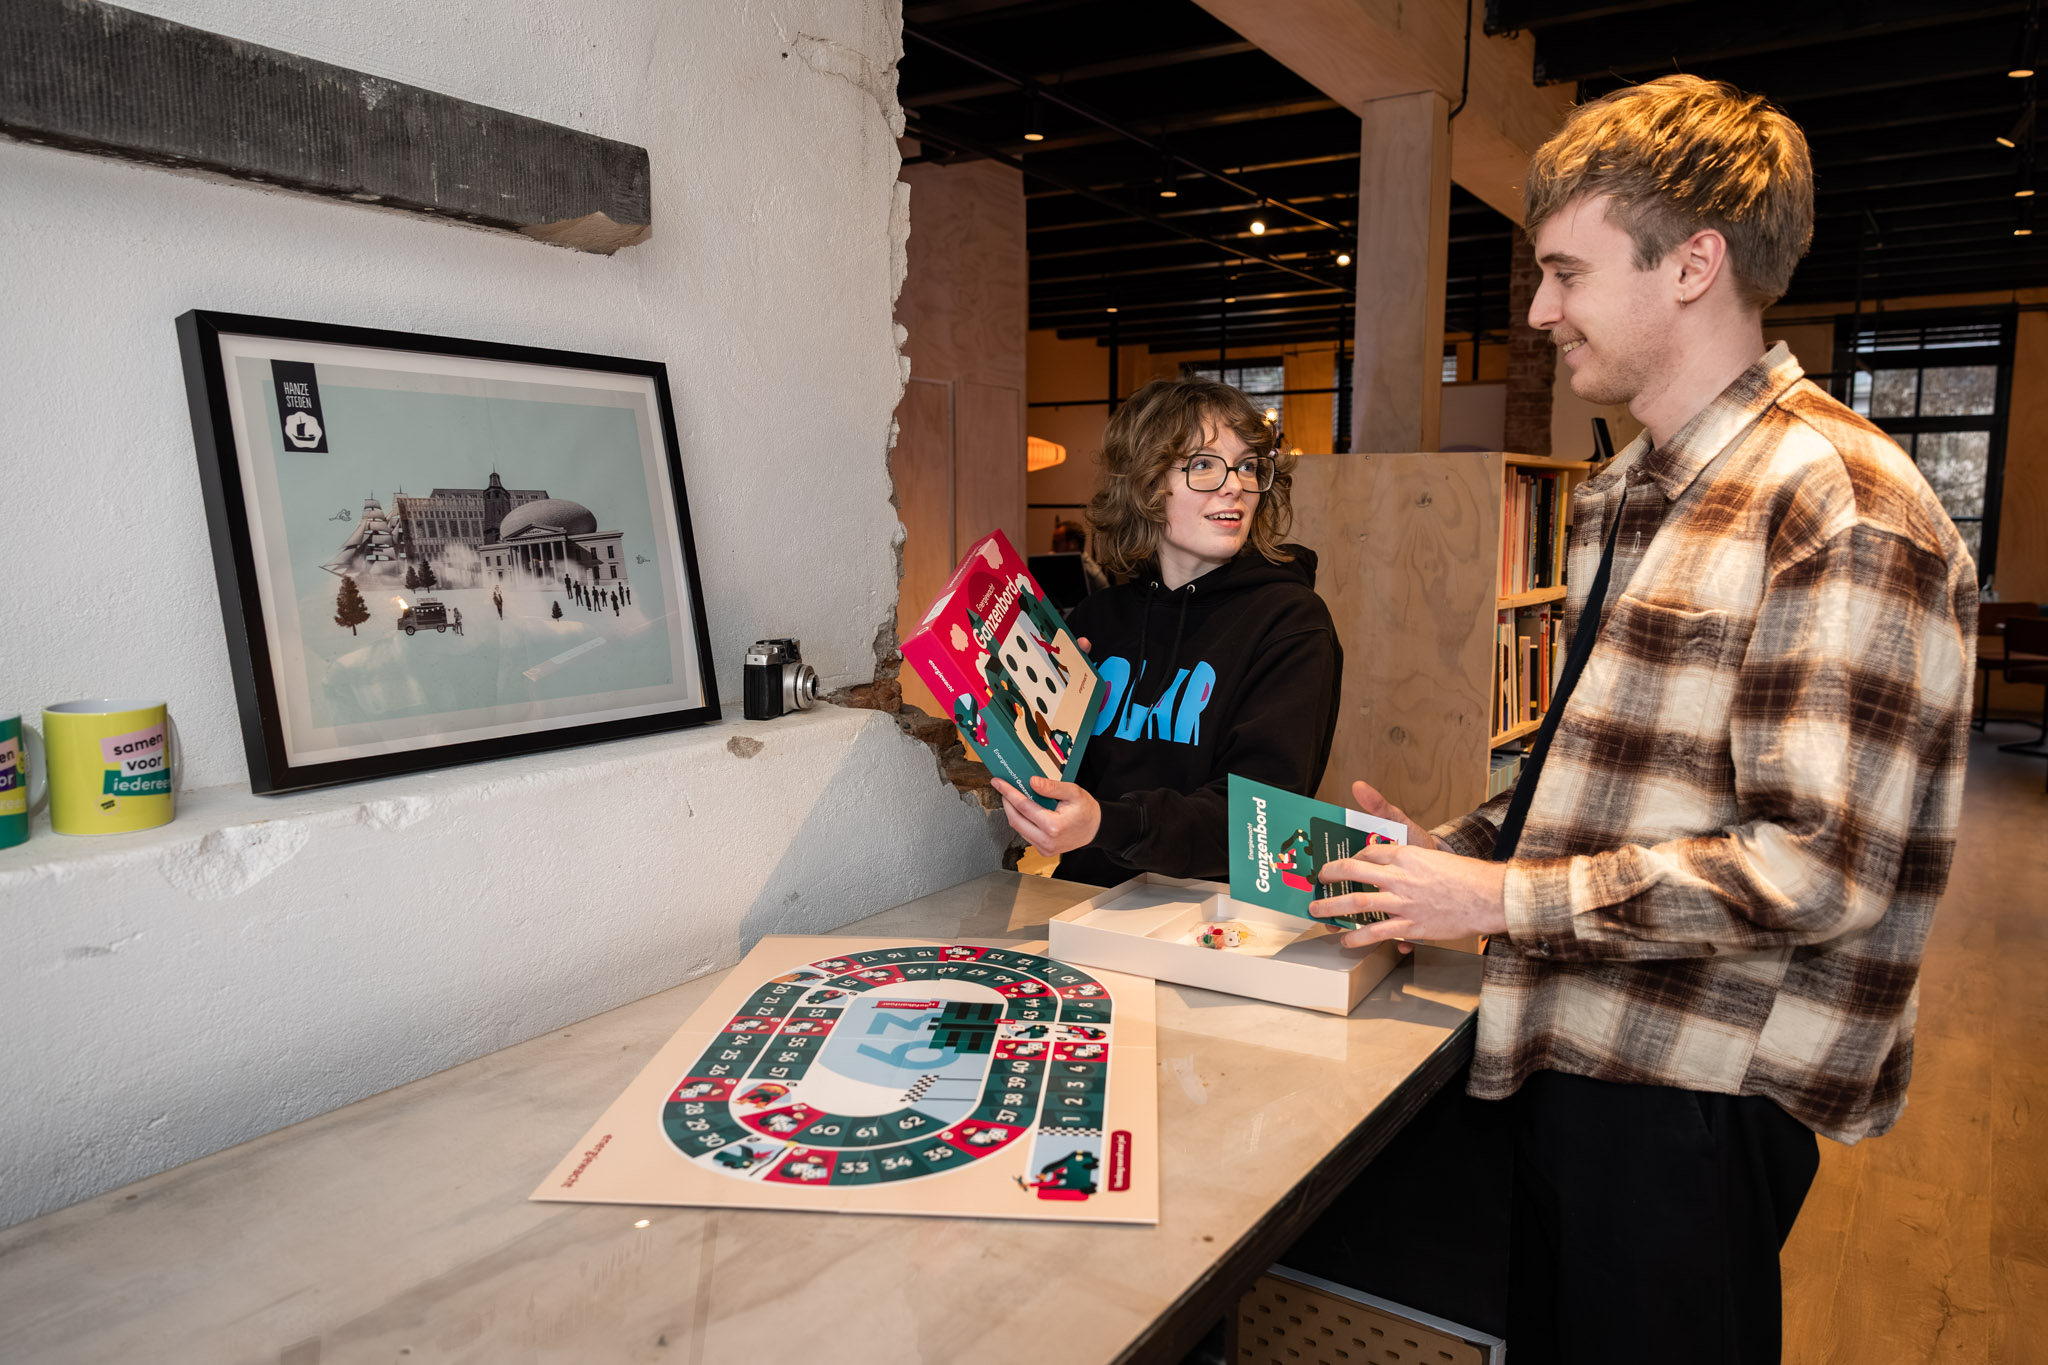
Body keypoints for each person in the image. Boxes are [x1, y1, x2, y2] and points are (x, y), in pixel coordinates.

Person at [1311, 77, 1977, 1364]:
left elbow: (1816, 867)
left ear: (1691, 265)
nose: (1537, 309)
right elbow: (1598, 772)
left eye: (1565, 271)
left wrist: (1494, 900)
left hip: (1698, 1094)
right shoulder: (1624, 492)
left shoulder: (1836, 501)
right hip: (1576, 1046)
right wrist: (1453, 854)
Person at [990, 377, 1342, 887]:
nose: (1235, 486)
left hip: (1211, 919)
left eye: (1247, 466)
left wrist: (1108, 824)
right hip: (1078, 905)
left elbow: (1258, 820)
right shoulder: (1095, 620)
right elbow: (1050, 785)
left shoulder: (1290, 623)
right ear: (1147, 485)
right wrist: (1031, 718)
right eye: (1203, 465)